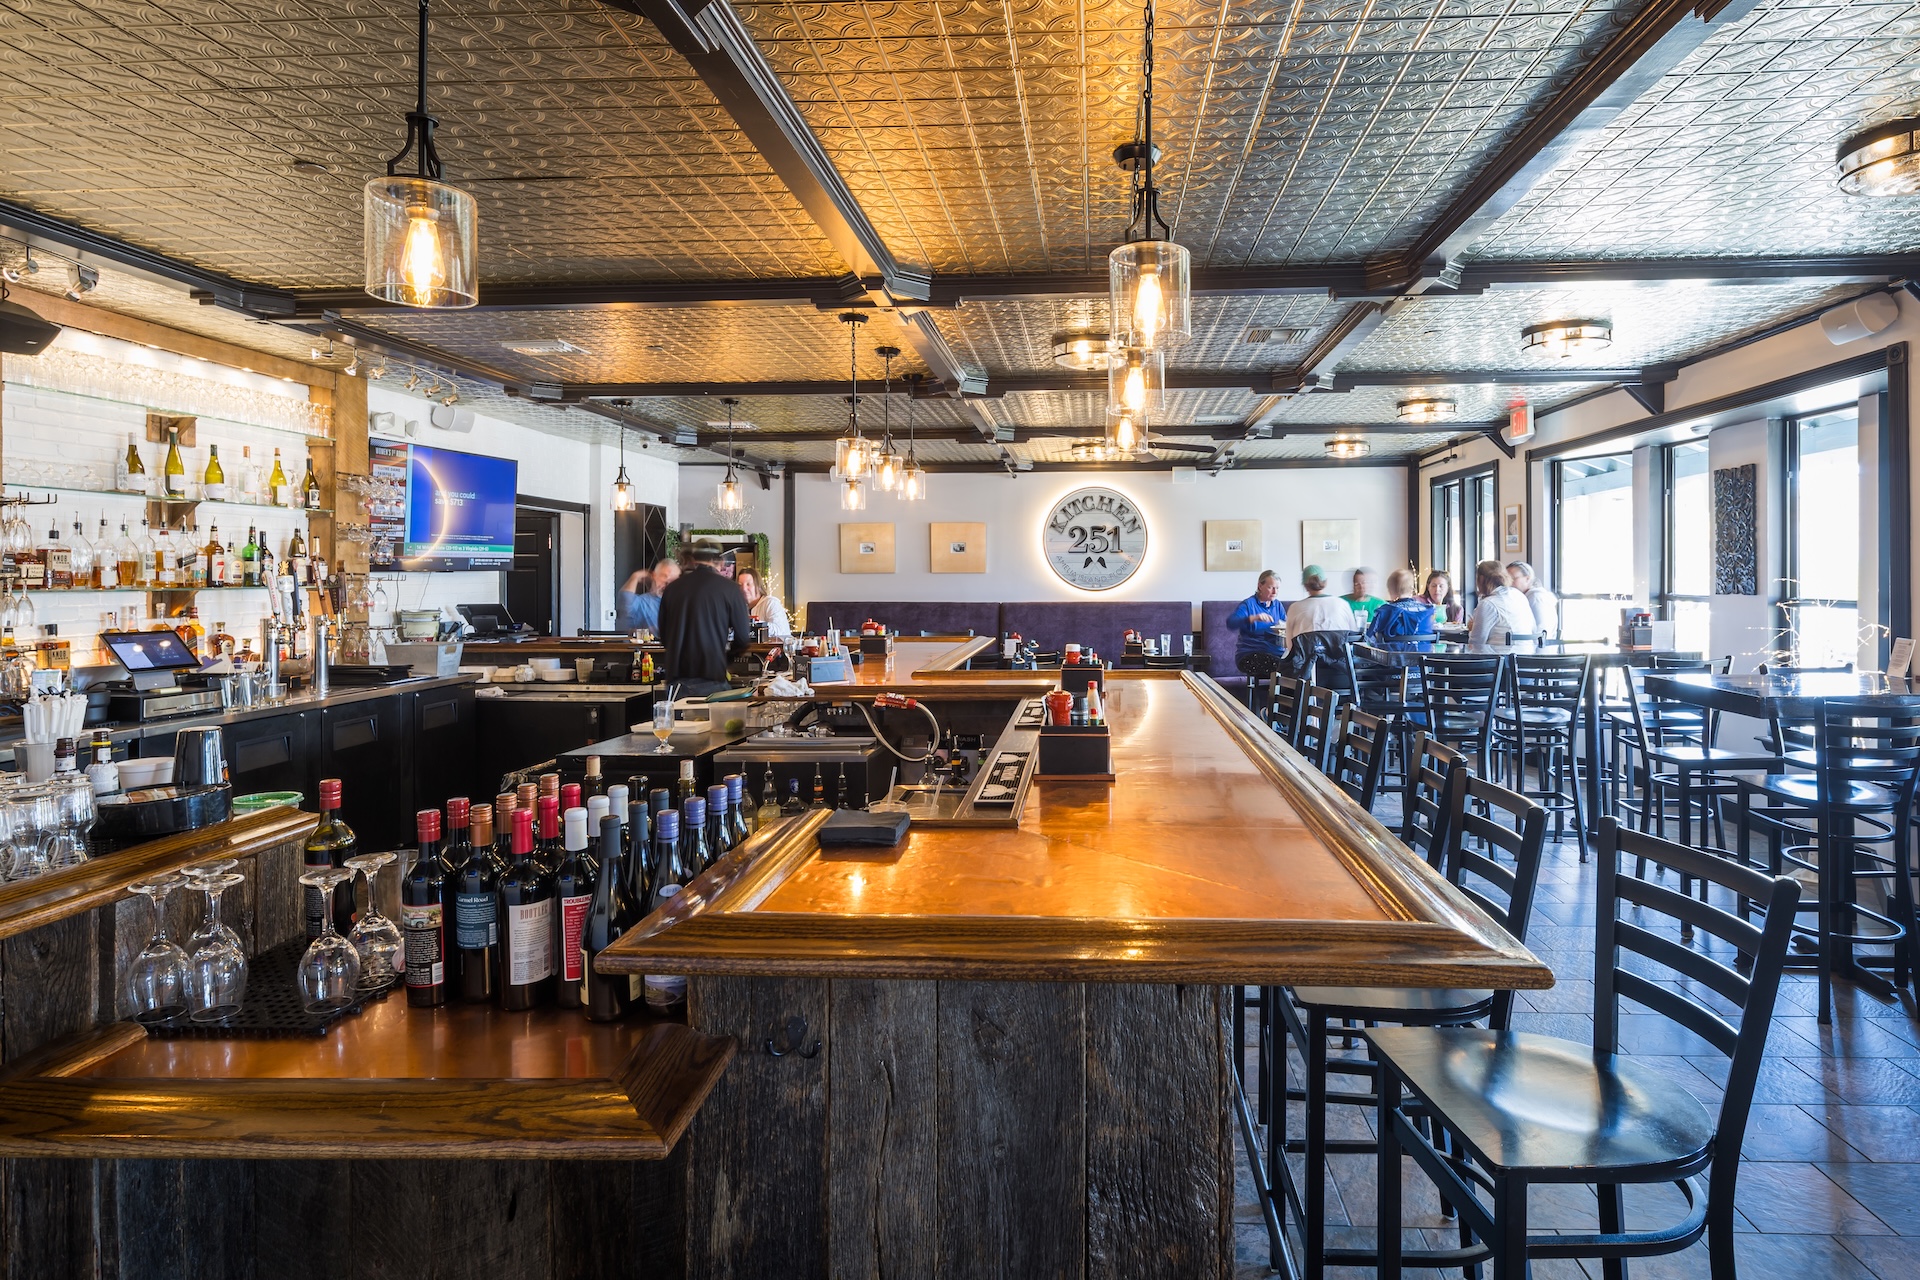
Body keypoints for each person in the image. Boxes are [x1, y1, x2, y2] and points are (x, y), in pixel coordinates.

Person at [657, 547, 750, 694]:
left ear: (693, 561)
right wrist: (725, 659)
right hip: (712, 675)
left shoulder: (672, 588)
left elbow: (664, 637)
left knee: (678, 717)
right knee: (719, 716)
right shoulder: (730, 589)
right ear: (720, 562)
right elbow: (743, 638)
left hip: (677, 678)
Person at [1227, 569, 1288, 677]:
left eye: (1277, 588)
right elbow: (1230, 623)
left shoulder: (1278, 605)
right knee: (1283, 667)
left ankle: (1280, 693)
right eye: (1271, 587)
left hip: (1276, 653)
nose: (1275, 592)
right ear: (1260, 586)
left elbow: (1286, 626)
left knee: (1297, 663)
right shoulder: (1248, 604)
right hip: (1251, 653)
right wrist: (1252, 618)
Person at [1282, 564, 1358, 651]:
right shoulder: (1343, 604)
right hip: (1339, 662)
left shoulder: (1294, 608)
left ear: (1305, 586)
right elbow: (1353, 636)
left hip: (1306, 663)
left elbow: (1290, 645)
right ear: (1325, 582)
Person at [1468, 559, 1536, 645]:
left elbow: (1476, 642)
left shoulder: (1488, 603)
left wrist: (1472, 629)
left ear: (1481, 579)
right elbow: (1534, 629)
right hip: (1527, 653)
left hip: (1501, 656)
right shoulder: (1519, 595)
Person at [1365, 568, 1437, 640]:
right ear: (1411, 590)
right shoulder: (1428, 611)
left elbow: (1369, 638)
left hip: (1392, 650)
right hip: (1424, 650)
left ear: (1391, 590)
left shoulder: (1384, 612)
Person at [617, 557, 678, 633]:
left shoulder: (682, 602)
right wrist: (635, 576)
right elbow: (625, 601)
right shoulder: (643, 602)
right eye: (664, 576)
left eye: (673, 579)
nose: (668, 582)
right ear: (654, 576)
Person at [1507, 560, 1559, 640]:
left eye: (1513, 578)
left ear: (1527, 578)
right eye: (1507, 579)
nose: (1509, 583)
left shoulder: (1536, 598)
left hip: (1538, 649)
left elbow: (1541, 630)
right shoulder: (1522, 598)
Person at [738, 568, 791, 640]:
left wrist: (755, 625)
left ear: (758, 585)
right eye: (740, 585)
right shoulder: (738, 607)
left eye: (748, 584)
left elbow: (781, 631)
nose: (743, 588)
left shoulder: (771, 603)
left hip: (771, 650)